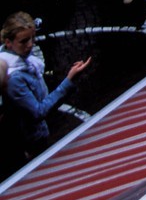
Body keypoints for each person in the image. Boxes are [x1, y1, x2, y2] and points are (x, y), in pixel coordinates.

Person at [1, 13, 90, 171]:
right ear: (8, 42)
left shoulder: (24, 61)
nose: (30, 45)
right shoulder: (15, 78)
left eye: (32, 38)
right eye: (23, 41)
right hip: (30, 142)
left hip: (35, 136)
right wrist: (68, 81)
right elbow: (38, 111)